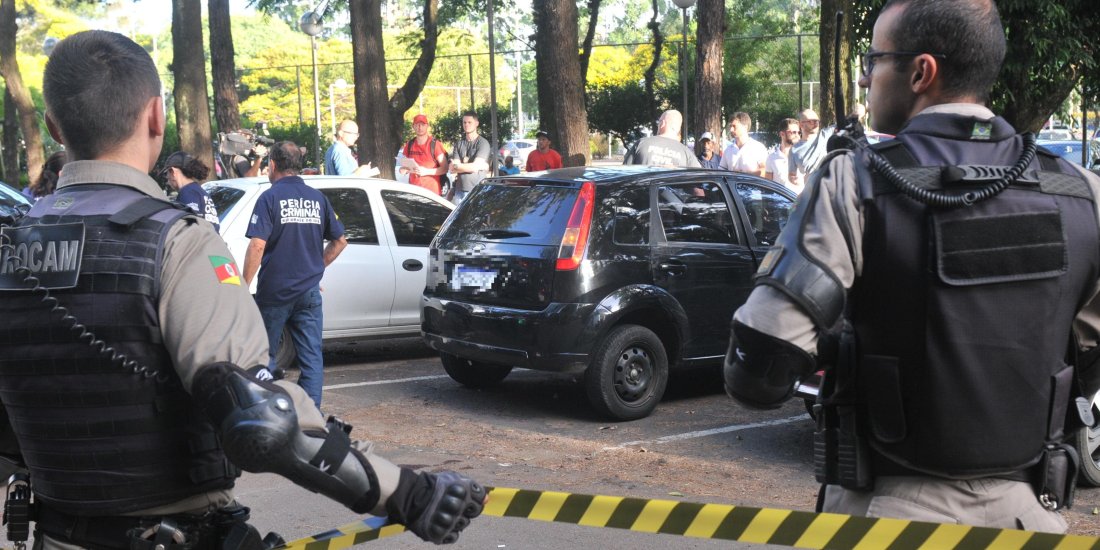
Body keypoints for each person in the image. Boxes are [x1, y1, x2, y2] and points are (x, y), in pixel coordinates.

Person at [0, 30, 484, 548]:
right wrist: (408, 492)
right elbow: (263, 418)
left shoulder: (9, 251)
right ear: (156, 116)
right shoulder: (177, 244)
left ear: (53, 126)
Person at [723, 0, 1100, 533]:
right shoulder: (1083, 194)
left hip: (887, 519)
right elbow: (1087, 358)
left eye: (874, 60)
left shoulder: (855, 182)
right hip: (1030, 521)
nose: (864, 76)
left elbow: (760, 365)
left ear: (922, 72)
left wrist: (840, 349)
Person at [243, 142, 345, 409]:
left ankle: (265, 414)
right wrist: (316, 268)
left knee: (264, 355)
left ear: (273, 165)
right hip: (309, 292)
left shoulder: (269, 197)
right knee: (311, 358)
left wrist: (243, 286)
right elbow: (340, 241)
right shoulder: (318, 198)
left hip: (274, 292)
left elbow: (257, 244)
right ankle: (310, 417)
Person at [162, 150, 221, 232]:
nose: (167, 178)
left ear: (173, 171)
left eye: (166, 173)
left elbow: (190, 228)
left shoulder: (187, 194)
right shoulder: (198, 191)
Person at [622, 110, 701, 168]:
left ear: (663, 123)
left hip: (641, 190)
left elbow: (624, 172)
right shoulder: (686, 153)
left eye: (659, 122)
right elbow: (698, 186)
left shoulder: (642, 144)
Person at [399, 113, 449, 195]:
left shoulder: (435, 144)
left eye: (422, 124)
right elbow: (404, 166)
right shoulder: (409, 144)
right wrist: (403, 170)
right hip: (413, 192)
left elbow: (445, 168)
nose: (420, 127)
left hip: (431, 194)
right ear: (413, 127)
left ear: (427, 126)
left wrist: (426, 171)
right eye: (417, 124)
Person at [447, 111, 491, 204]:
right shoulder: (459, 144)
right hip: (459, 191)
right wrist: (457, 167)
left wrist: (457, 167)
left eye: (469, 122)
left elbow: (474, 168)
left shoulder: (483, 143)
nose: (466, 125)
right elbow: (452, 168)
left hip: (476, 191)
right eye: (464, 122)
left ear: (476, 123)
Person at [788, 108, 832, 182]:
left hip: (829, 188)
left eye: (817, 121)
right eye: (811, 121)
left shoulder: (825, 135)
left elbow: (845, 122)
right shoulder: (794, 150)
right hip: (811, 191)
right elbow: (791, 175)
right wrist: (794, 180)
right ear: (801, 124)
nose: (816, 124)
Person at [764, 118, 802, 194]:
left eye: (799, 132)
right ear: (782, 134)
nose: (797, 135)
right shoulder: (772, 158)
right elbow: (767, 188)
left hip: (802, 203)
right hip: (780, 204)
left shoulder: (803, 155)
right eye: (793, 132)